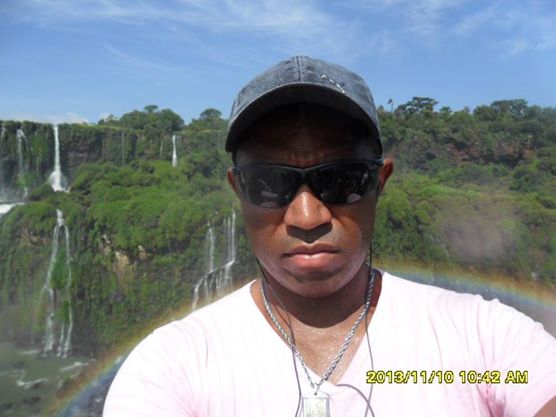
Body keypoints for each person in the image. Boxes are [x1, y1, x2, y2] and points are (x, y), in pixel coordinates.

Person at [103, 56, 556, 417]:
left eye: (341, 179)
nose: (307, 216)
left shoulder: (487, 340)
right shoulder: (169, 367)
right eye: (269, 183)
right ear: (237, 189)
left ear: (379, 183)